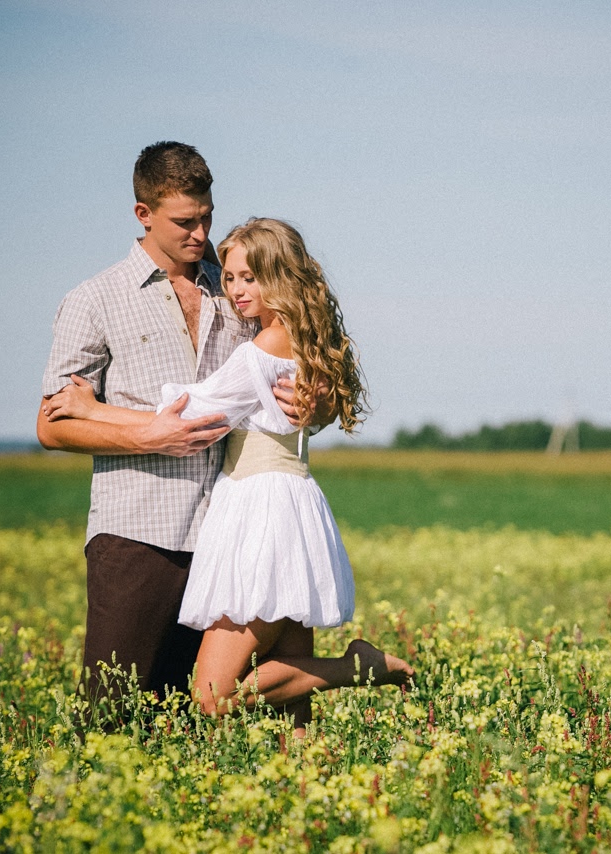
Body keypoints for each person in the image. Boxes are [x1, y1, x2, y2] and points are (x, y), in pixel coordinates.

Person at [45, 218, 413, 733]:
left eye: (249, 278)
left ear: (280, 278)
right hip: (293, 504)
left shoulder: (261, 349)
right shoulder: (302, 337)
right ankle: (303, 790)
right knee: (294, 717)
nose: (236, 291)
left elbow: (192, 410)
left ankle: (361, 667)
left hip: (260, 512)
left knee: (212, 695)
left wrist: (91, 408)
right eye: (232, 278)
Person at [38, 141, 289, 718]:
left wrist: (314, 399)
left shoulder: (234, 292)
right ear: (143, 215)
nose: (200, 234)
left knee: (195, 718)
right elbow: (51, 426)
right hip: (136, 535)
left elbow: (282, 373)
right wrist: (147, 435)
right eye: (184, 222)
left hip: (226, 536)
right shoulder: (93, 300)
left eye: (206, 217)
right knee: (111, 712)